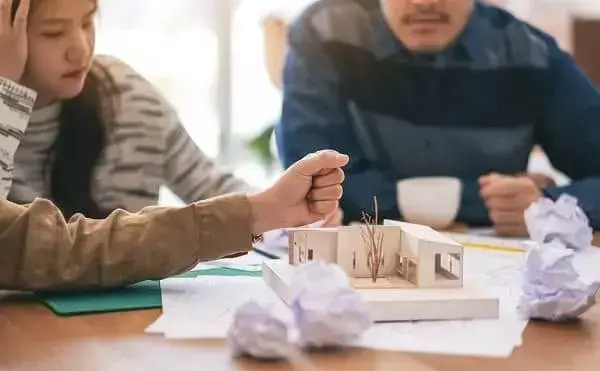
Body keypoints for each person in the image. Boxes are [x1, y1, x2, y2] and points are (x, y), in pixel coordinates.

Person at [0, 0, 348, 292]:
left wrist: (284, 217)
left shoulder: (125, 97)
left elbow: (206, 183)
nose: (80, 47)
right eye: (53, 32)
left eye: (89, 21)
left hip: (125, 330)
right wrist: (6, 96)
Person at [275, 0, 600, 236]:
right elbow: (314, 185)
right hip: (359, 276)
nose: (423, 2)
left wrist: (548, 204)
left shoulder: (531, 55)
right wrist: (484, 201)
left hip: (498, 284)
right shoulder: (326, 35)